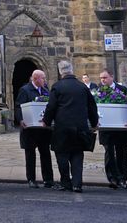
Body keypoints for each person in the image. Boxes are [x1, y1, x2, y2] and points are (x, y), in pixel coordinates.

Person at [42, 60, 99, 193]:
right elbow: (92, 107)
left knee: (62, 155)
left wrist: (46, 121)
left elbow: (51, 107)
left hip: (62, 127)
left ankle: (65, 182)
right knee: (77, 155)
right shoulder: (82, 87)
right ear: (71, 70)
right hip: (80, 126)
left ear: (60, 72)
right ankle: (77, 184)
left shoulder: (57, 87)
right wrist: (95, 122)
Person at [14, 70, 54, 188]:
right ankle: (31, 179)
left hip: (42, 128)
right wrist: (20, 120)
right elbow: (18, 106)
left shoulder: (46, 90)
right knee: (30, 155)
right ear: (36, 78)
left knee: (45, 154)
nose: (45, 80)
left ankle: (48, 180)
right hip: (30, 128)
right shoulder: (25, 90)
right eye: (43, 78)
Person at [97, 69, 127, 189]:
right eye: (101, 78)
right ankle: (111, 178)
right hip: (106, 128)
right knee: (109, 153)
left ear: (112, 76)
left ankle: (122, 178)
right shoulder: (99, 90)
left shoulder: (122, 90)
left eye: (105, 77)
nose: (103, 80)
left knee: (122, 153)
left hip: (121, 128)